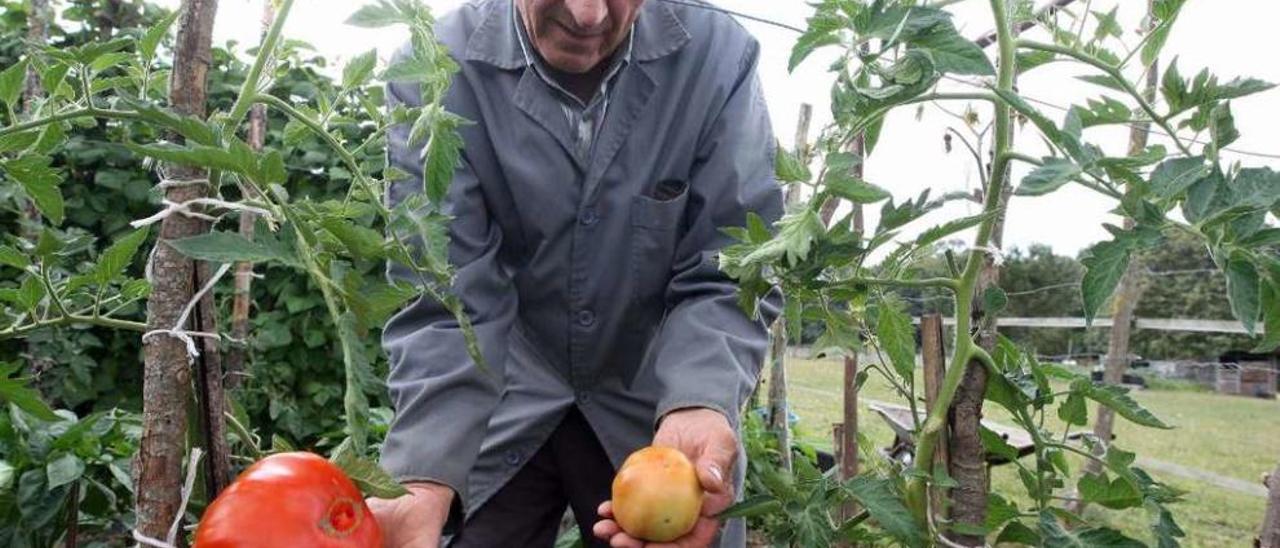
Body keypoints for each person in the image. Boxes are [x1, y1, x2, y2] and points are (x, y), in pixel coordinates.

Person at [367, 0, 782, 546]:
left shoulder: (718, 58)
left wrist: (700, 400)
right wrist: (423, 472)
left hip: (659, 406)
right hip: (501, 396)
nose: (589, 16)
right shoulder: (437, 69)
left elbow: (730, 268)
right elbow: (449, 295)